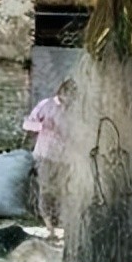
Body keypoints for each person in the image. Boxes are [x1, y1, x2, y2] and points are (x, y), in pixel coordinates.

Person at [24, 78, 76, 231]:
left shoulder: (74, 110)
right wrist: (41, 125)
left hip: (64, 158)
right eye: (69, 95)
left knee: (63, 190)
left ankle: (62, 224)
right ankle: (49, 225)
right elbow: (26, 124)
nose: (71, 99)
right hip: (45, 155)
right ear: (61, 92)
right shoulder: (46, 105)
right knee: (46, 189)